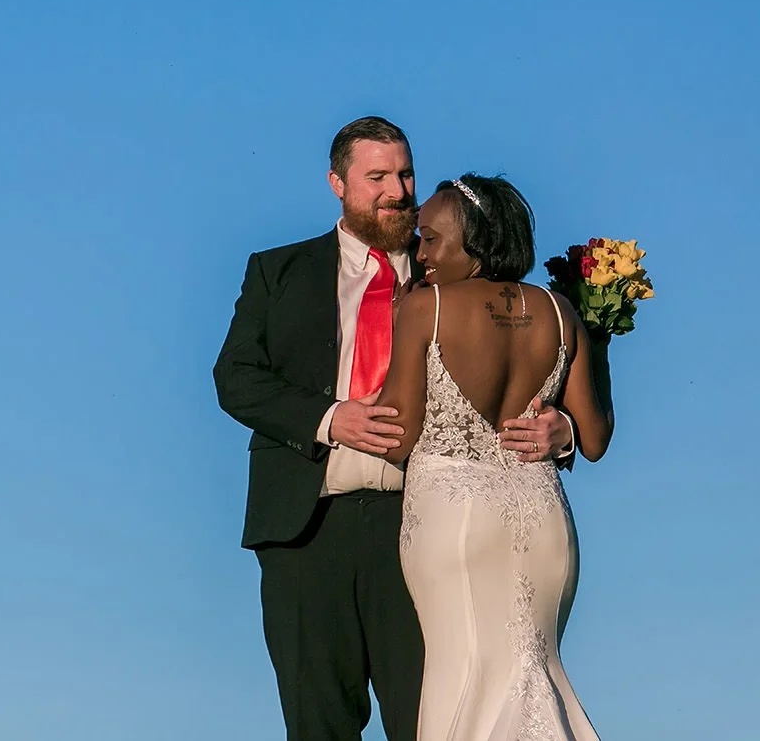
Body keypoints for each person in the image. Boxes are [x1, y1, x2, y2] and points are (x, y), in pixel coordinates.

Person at [213, 118, 577, 741]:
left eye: (404, 174)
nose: (397, 190)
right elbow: (236, 377)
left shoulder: (453, 272)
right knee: (318, 725)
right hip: (307, 530)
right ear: (337, 183)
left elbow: (548, 362)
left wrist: (561, 428)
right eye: (376, 176)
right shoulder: (277, 271)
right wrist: (332, 417)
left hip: (426, 530)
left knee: (433, 721)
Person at [376, 174, 614, 740]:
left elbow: (400, 431)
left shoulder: (425, 307)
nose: (420, 253)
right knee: (534, 669)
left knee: (462, 675)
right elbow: (596, 437)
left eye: (431, 240)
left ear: (476, 245)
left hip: (454, 521)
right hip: (542, 519)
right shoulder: (558, 313)